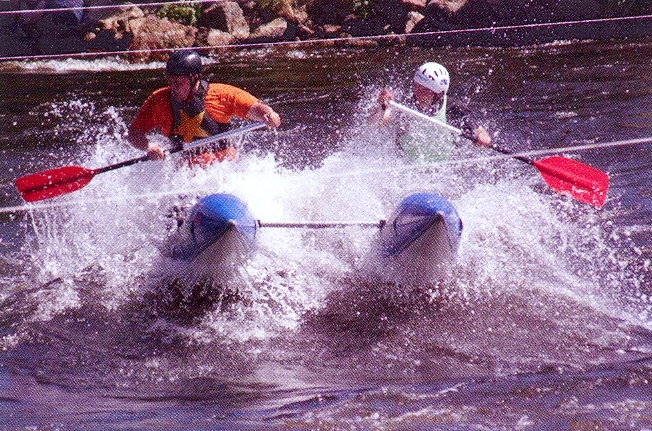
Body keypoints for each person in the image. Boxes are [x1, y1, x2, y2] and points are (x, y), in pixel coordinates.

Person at [127, 49, 281, 167]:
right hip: (188, 177)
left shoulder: (220, 94)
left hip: (224, 172)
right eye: (170, 81)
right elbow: (134, 133)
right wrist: (149, 147)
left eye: (179, 83)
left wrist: (268, 115)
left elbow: (254, 108)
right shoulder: (159, 100)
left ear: (195, 78)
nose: (173, 87)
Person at [373, 62, 491, 162]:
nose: (418, 94)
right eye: (417, 87)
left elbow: (479, 130)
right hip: (407, 171)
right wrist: (383, 106)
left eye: (424, 90)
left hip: (441, 172)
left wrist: (482, 137)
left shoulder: (454, 108)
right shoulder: (404, 105)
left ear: (438, 94)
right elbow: (376, 123)